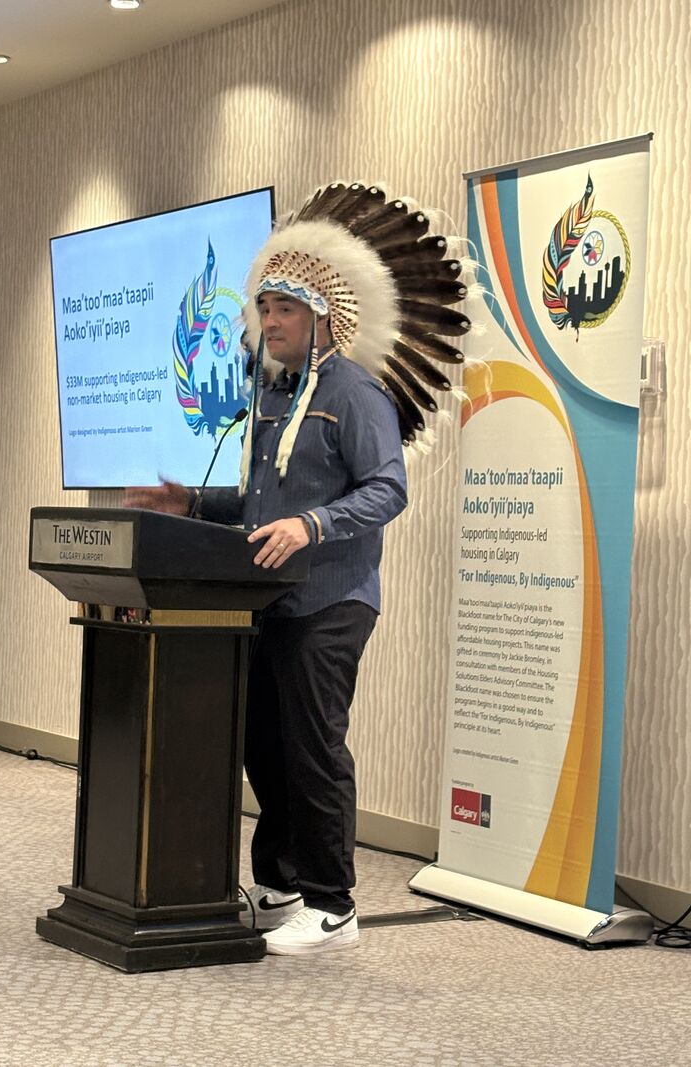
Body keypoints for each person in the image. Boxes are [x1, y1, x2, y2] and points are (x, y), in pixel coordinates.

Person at [125, 181, 469, 955]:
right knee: (263, 744)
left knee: (314, 746)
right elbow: (261, 501)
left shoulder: (356, 394)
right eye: (265, 307)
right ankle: (281, 883)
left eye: (284, 309)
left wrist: (313, 525)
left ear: (323, 317)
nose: (269, 321)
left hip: (332, 599)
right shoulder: (272, 396)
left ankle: (333, 903)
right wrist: (192, 502)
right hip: (266, 600)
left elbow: (387, 489)